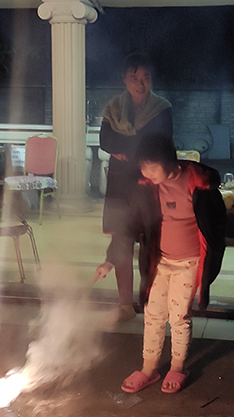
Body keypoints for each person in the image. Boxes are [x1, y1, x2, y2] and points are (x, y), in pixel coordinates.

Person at [95, 133, 226, 394]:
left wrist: (213, 257)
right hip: (160, 262)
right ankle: (149, 368)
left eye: (152, 167)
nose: (147, 173)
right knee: (153, 314)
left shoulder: (199, 184)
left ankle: (177, 367)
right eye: (143, 167)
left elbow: (217, 224)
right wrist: (110, 260)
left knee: (179, 317)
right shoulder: (147, 187)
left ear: (169, 161)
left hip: (189, 263)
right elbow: (130, 226)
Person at [99, 53, 174, 322]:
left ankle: (151, 300)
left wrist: (125, 150)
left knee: (150, 243)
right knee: (121, 241)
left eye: (145, 78)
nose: (140, 84)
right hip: (119, 186)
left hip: (148, 185)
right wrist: (135, 147)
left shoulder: (161, 108)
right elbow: (105, 141)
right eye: (134, 78)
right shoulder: (113, 109)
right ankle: (124, 304)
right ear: (124, 80)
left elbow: (160, 142)